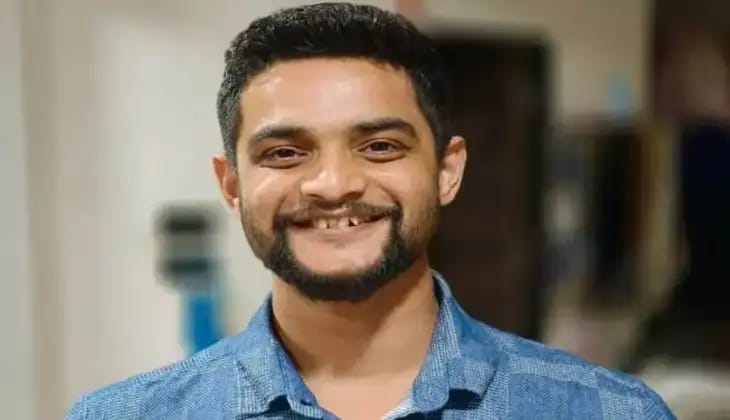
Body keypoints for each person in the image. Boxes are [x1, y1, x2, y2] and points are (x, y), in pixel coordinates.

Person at [67, 3, 675, 419]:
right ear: (232, 186)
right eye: (285, 152)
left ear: (447, 170)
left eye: (380, 147)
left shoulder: (606, 412)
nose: (333, 185)